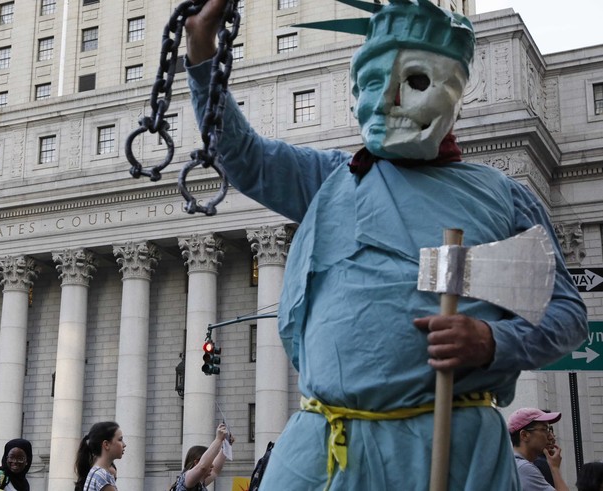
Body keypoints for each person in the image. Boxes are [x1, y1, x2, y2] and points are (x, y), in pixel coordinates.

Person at [182, 0, 588, 489]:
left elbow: (566, 316)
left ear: (453, 90)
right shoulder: (330, 181)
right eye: (372, 84)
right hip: (323, 448)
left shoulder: (505, 199)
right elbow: (245, 158)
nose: (387, 100)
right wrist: (203, 51)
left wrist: (492, 341)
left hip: (448, 449)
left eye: (413, 81)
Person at [509, 408, 569, 491]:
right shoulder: (524, 469)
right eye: (544, 429)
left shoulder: (511, 464)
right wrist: (555, 468)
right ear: (524, 435)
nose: (550, 436)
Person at [171, 422, 234, 491]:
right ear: (197, 462)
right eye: (210, 462)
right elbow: (202, 467)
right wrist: (218, 439)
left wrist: (226, 444)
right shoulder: (187, 479)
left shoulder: (200, 482)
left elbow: (215, 470)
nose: (212, 465)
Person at [74, 421, 125, 491]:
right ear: (106, 444)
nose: (124, 445)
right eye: (120, 439)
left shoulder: (95, 472)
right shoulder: (103, 478)